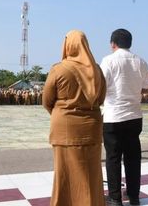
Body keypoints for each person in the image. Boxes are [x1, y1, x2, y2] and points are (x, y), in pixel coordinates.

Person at [42, 30, 107, 206]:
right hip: (91, 129)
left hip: (65, 130)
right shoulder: (97, 70)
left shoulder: (59, 69)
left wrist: (63, 113)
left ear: (68, 45)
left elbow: (47, 101)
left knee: (64, 175)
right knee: (91, 175)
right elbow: (101, 99)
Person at [100, 29, 148, 206]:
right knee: (133, 158)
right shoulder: (140, 61)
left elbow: (101, 87)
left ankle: (115, 198)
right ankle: (134, 196)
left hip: (113, 116)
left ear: (113, 43)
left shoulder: (108, 60)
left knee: (113, 159)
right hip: (134, 116)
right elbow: (146, 89)